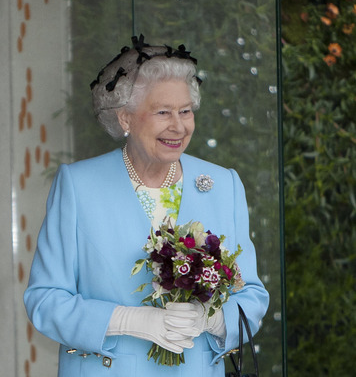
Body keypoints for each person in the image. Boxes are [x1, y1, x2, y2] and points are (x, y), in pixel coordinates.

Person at [23, 35, 269, 376]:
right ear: (125, 118)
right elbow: (45, 300)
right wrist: (127, 320)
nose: (178, 126)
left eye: (185, 111)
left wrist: (210, 319)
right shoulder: (79, 186)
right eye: (163, 112)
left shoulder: (222, 185)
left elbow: (252, 296)